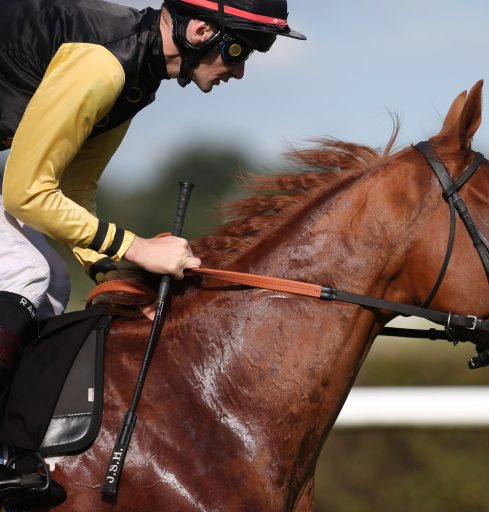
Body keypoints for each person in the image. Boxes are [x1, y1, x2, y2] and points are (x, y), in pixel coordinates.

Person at [0, 0, 304, 503]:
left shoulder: (137, 77)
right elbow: (26, 193)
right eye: (243, 48)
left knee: (50, 279)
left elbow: (72, 192)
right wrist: (138, 247)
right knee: (29, 271)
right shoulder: (104, 62)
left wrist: (116, 272)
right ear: (203, 29)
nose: (242, 70)